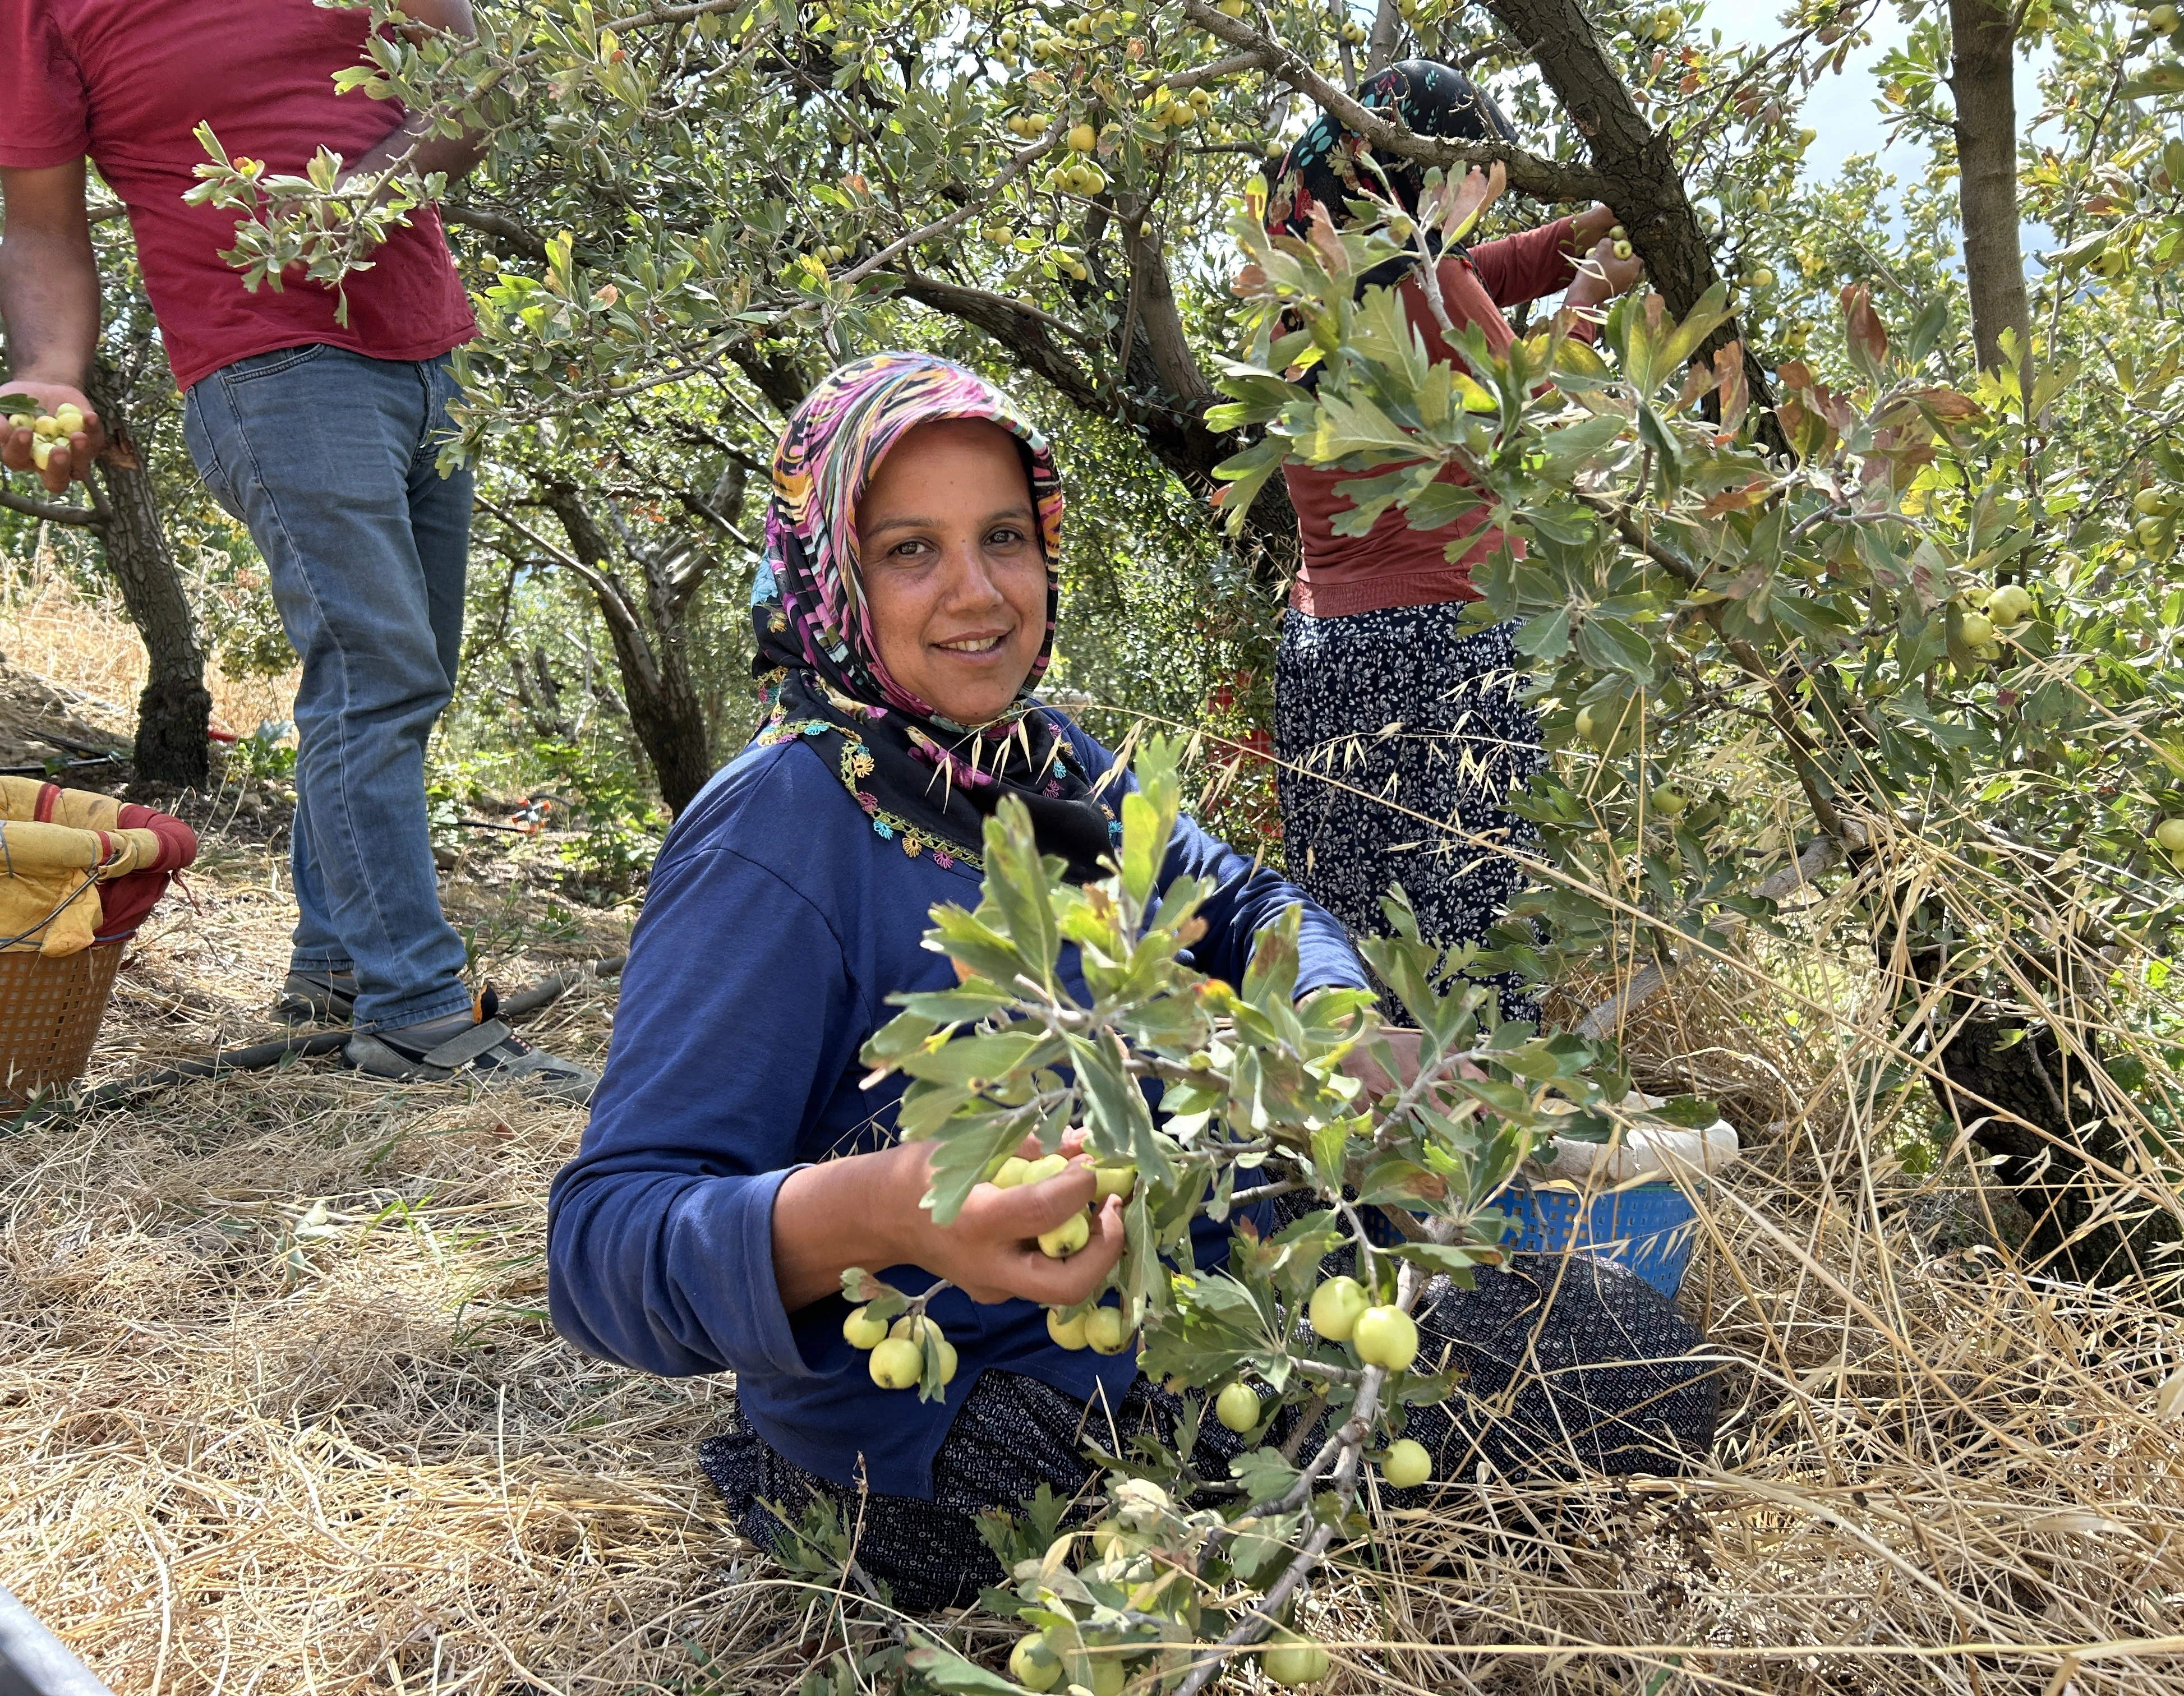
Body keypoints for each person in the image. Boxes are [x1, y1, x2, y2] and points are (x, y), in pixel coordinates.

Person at [546, 352, 1719, 1612]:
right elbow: (603, 1246)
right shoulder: (779, 832)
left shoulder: (1043, 773)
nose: (977, 592)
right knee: (1630, 1386)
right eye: (909, 551)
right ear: (829, 573)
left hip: (1168, 1334)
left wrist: (1325, 1021)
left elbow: (1252, 902)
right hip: (948, 1446)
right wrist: (887, 1211)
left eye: (1004, 537)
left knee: (1625, 1349)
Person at [0, 0, 593, 1098]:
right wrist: (49, 373)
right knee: (377, 672)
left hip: (430, 355)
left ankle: (333, 978)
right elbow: (40, 222)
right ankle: (418, 1015)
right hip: (268, 369)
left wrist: (361, 198)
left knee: (404, 681)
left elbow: (477, 86)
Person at [1266, 61, 1646, 1025]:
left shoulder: (1318, 276)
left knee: (1360, 949)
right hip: (1435, 649)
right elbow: (1532, 436)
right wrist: (1593, 298)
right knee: (1472, 953)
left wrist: (1582, 232)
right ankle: (1480, 1153)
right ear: (1415, 179)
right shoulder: (1424, 284)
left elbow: (1482, 270)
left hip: (1325, 655)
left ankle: (1361, 1161)